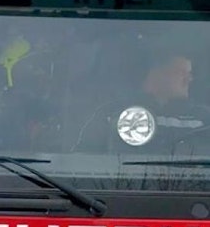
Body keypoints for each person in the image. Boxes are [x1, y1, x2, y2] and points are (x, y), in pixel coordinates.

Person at [75, 54, 210, 153]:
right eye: (181, 72)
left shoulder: (204, 119)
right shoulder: (111, 115)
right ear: (156, 73)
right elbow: (82, 161)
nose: (190, 79)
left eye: (190, 74)